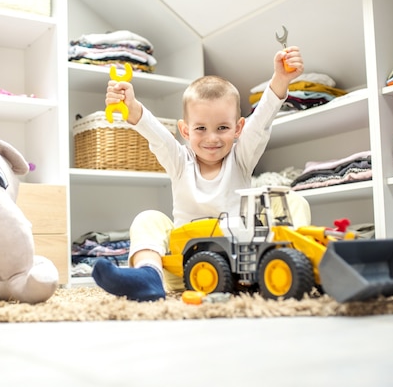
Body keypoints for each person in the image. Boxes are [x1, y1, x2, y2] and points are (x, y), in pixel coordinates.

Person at [92, 46, 309, 302]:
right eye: (201, 128)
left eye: (222, 127)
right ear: (185, 131)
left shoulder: (241, 157)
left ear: (239, 128)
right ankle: (148, 277)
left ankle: (295, 263)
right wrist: (131, 106)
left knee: (294, 200)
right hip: (183, 267)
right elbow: (156, 134)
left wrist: (281, 79)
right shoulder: (179, 160)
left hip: (240, 266)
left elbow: (261, 120)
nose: (212, 138)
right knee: (148, 218)